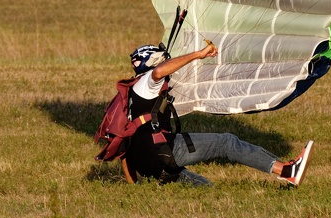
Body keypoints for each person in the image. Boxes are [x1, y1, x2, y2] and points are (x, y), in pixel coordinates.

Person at [124, 43, 314, 187]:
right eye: (164, 60)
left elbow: (121, 146)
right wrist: (199, 54)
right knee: (227, 142)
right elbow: (157, 73)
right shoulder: (150, 81)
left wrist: (134, 185)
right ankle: (287, 170)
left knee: (205, 188)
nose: (167, 63)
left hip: (147, 165)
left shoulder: (131, 93)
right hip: (164, 152)